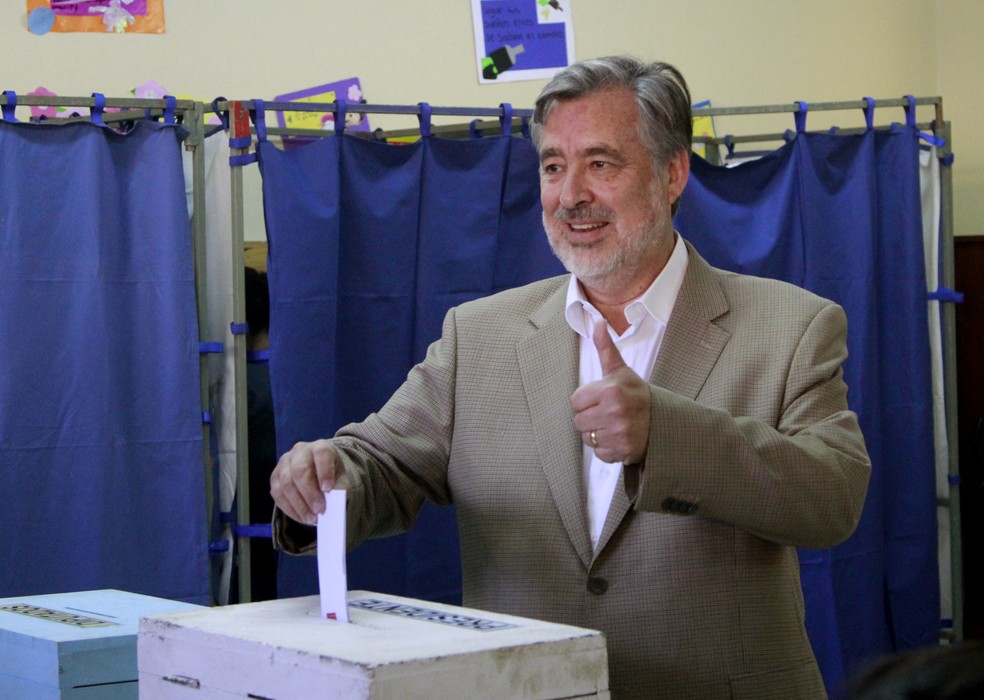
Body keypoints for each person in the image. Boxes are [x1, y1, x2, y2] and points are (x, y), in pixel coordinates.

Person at [270, 55, 871, 699]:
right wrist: (327, 477)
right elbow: (380, 466)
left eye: (601, 163)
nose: (570, 194)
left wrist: (663, 434)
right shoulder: (479, 336)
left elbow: (831, 499)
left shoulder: (791, 326)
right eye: (554, 166)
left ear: (673, 173)